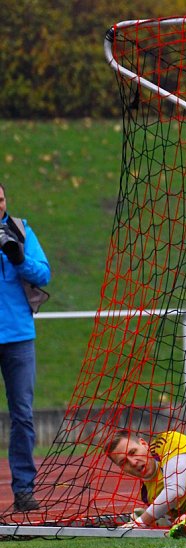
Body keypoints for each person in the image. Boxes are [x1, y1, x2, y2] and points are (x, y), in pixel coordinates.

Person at [0, 182, 51, 513]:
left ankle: (23, 490)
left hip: (18, 337)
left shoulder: (20, 230)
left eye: (1, 198)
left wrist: (18, 257)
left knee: (23, 415)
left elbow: (44, 274)